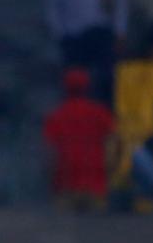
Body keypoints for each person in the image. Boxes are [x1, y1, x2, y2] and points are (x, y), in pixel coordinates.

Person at [42, 68, 117, 212]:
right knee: (99, 232)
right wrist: (108, 171)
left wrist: (50, 179)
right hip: (95, 186)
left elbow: (48, 154)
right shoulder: (100, 113)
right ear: (88, 88)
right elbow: (114, 144)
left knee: (63, 232)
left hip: (65, 186)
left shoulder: (56, 116)